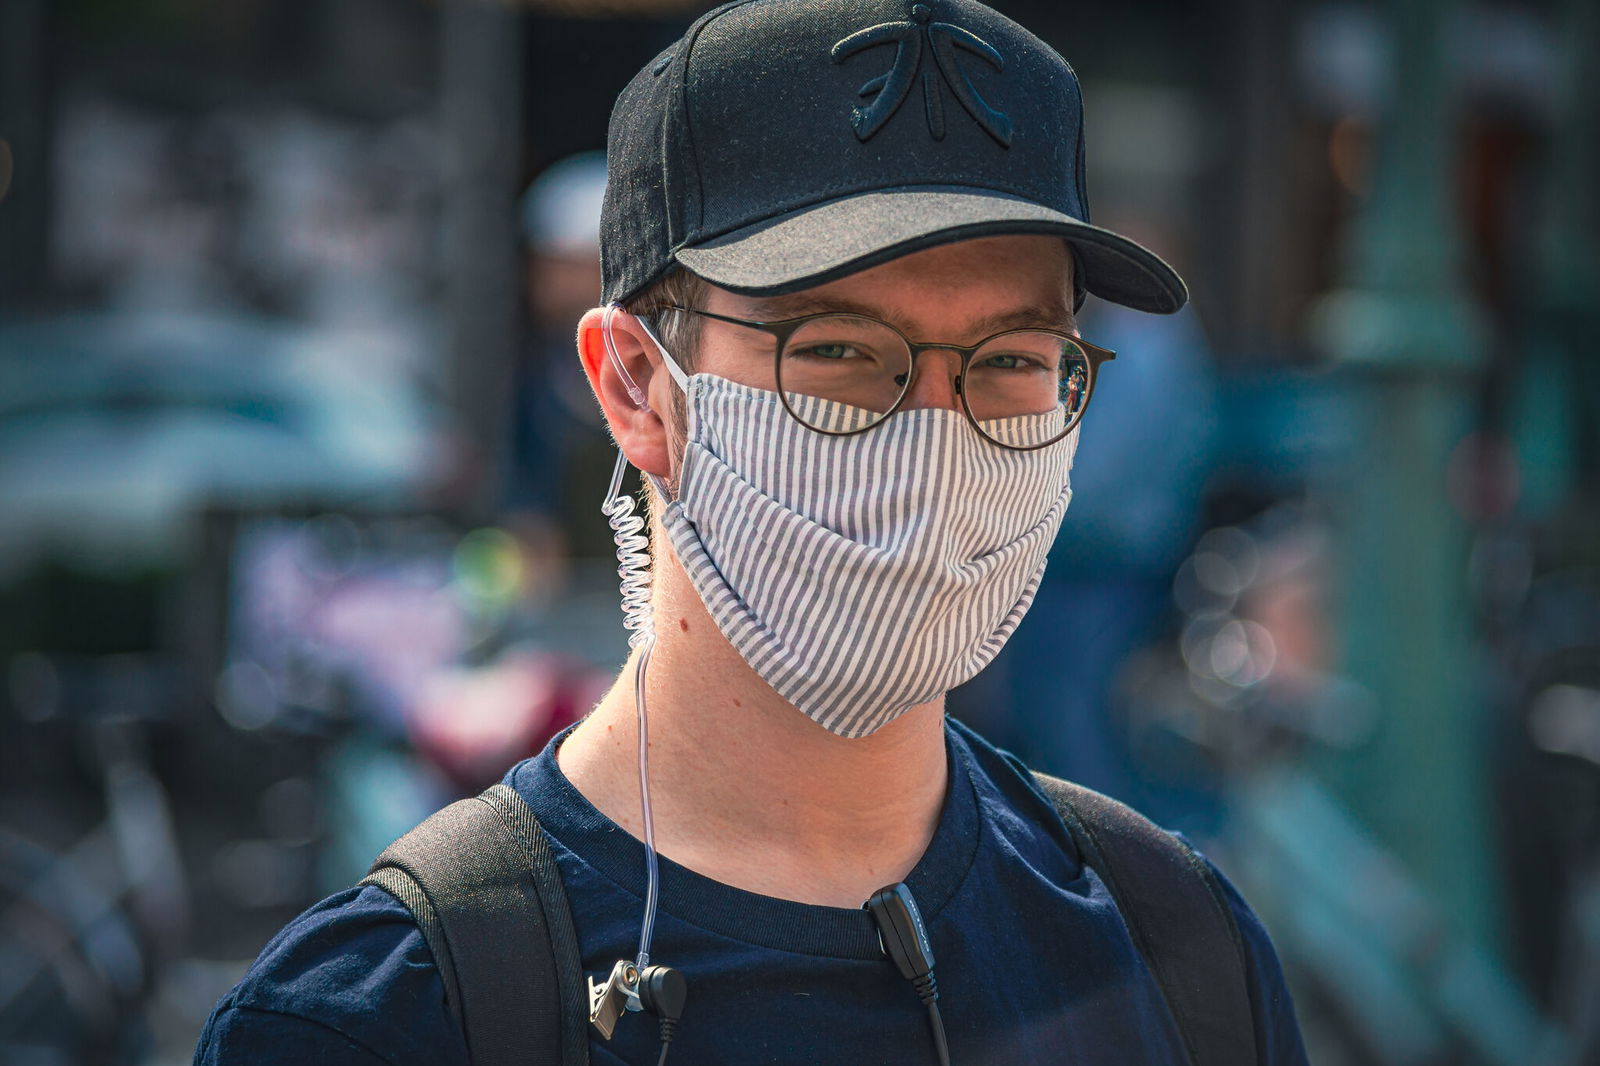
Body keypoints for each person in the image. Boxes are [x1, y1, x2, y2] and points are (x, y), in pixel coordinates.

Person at [194, 1, 1309, 1063]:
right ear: (636, 388)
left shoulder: (1177, 947)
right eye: (837, 349)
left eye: (1012, 359)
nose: (934, 440)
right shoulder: (388, 1015)